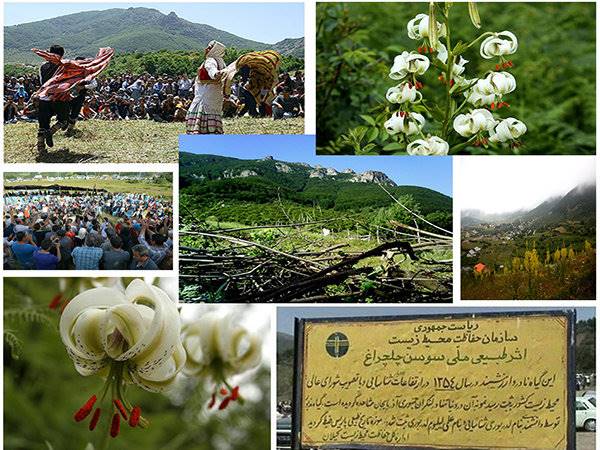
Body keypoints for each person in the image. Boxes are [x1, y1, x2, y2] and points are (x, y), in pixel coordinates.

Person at [186, 40, 227, 134]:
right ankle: (213, 132)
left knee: (201, 110)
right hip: (215, 93)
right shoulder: (222, 62)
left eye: (209, 47)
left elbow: (211, 69)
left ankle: (200, 133)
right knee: (213, 112)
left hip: (206, 92)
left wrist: (215, 74)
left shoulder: (210, 60)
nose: (206, 49)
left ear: (214, 49)